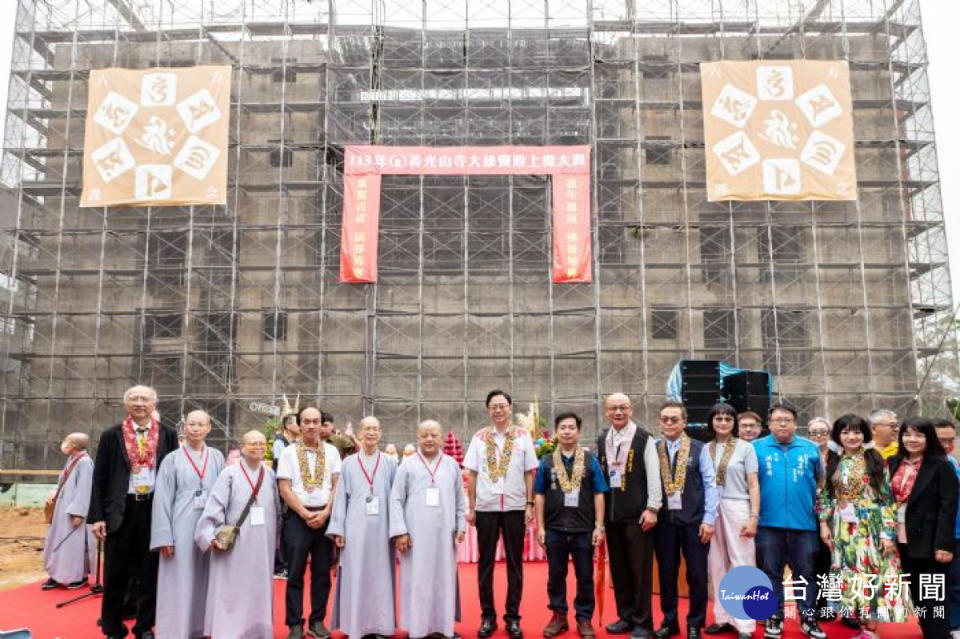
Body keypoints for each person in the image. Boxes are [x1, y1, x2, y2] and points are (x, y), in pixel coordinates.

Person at [89, 385, 179, 639]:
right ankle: (113, 627)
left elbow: (173, 476)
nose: (140, 403)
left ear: (154, 404)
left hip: (154, 508)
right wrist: (97, 516)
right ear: (126, 403)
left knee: (149, 572)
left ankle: (144, 627)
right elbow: (100, 477)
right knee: (115, 572)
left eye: (145, 399)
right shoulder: (112, 435)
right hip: (121, 510)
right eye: (134, 399)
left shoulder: (168, 434)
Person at [818, 414, 906, 638]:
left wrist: (888, 533)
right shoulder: (833, 460)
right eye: (845, 432)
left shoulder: (874, 458)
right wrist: (824, 524)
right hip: (843, 529)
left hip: (871, 527)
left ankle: (871, 628)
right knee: (850, 576)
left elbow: (887, 498)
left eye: (856, 432)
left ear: (864, 434)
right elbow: (827, 495)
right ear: (838, 435)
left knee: (872, 573)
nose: (851, 437)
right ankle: (862, 625)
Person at [464, 390, 539, 639]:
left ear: (509, 408)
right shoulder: (478, 438)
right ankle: (487, 616)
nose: (498, 410)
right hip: (486, 508)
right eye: (494, 406)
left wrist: (529, 504)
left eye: (503, 406)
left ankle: (513, 617)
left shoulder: (522, 436)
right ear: (488, 410)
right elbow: (471, 473)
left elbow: (530, 472)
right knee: (485, 564)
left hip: (515, 507)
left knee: (515, 565)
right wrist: (472, 507)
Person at [195, 430, 280, 639]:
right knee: (232, 587)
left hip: (262, 542)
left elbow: (277, 510)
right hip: (237, 542)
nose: (258, 447)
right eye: (253, 443)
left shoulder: (269, 474)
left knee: (258, 587)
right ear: (242, 447)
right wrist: (210, 535)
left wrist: (277, 539)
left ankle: (257, 629)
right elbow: (214, 506)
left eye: (262, 443)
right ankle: (228, 630)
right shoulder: (229, 473)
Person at [752, 402, 826, 639]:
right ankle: (775, 617)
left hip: (803, 524)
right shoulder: (756, 448)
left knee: (805, 573)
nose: (783, 424)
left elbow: (821, 481)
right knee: (770, 572)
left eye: (788, 420)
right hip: (767, 523)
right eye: (778, 420)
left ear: (795, 424)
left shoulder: (811, 449)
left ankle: (809, 618)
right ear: (769, 424)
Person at [149, 409, 225, 639]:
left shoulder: (217, 457)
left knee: (208, 576)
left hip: (210, 525)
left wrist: (223, 532)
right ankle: (176, 629)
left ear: (209, 428)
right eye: (191, 424)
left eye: (201, 424)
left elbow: (224, 494)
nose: (196, 428)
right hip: (180, 526)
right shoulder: (172, 459)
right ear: (184, 428)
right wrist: (164, 537)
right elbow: (162, 499)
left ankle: (204, 628)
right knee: (179, 577)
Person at [389, 419, 466, 639]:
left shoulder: (451, 464)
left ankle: (442, 628)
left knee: (444, 581)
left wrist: (461, 525)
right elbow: (395, 498)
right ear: (418, 437)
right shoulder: (408, 465)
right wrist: (400, 532)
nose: (429, 439)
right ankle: (417, 628)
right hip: (415, 537)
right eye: (425, 435)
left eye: (434, 435)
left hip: (445, 536)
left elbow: (460, 500)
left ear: (441, 437)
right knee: (417, 581)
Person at [534, 412, 607, 638]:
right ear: (557, 432)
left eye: (571, 427)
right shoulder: (546, 462)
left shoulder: (590, 460)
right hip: (554, 528)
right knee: (556, 575)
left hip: (583, 529)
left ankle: (584, 618)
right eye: (563, 427)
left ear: (578, 432)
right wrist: (540, 527)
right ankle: (559, 616)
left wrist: (599, 526)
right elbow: (539, 495)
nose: (567, 431)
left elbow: (598, 494)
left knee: (585, 576)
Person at [596, 392, 662, 639]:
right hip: (612, 517)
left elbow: (654, 475)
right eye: (613, 408)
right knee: (620, 570)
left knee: (640, 572)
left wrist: (653, 507)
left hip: (638, 516)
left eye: (622, 407)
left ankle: (644, 623)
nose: (618, 412)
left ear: (631, 409)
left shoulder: (644, 438)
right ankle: (625, 616)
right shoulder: (603, 439)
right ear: (606, 412)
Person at [327, 416, 398, 639]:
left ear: (380, 433)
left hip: (382, 529)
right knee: (355, 575)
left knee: (381, 577)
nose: (371, 433)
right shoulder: (347, 463)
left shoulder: (390, 462)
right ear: (359, 432)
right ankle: (356, 625)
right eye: (367, 428)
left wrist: (398, 529)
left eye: (375, 429)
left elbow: (396, 498)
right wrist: (339, 529)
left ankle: (381, 625)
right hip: (355, 528)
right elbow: (340, 499)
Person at [653, 402, 718, 639]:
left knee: (697, 575)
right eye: (665, 419)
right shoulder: (653, 448)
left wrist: (709, 519)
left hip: (694, 522)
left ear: (684, 422)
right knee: (667, 574)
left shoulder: (699, 449)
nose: (669, 423)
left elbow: (711, 485)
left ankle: (694, 623)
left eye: (674, 419)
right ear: (660, 422)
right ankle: (669, 621)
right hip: (663, 523)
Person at [889, 417, 958, 639]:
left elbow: (948, 508)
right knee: (916, 593)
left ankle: (939, 635)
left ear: (929, 438)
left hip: (929, 540)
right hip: (898, 539)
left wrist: (944, 545)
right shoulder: (892, 462)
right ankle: (929, 631)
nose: (912, 439)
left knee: (934, 593)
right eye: (908, 434)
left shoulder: (941, 466)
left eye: (919, 435)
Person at [277, 406, 342, 639]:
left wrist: (326, 513)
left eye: (316, 421)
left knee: (322, 572)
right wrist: (305, 514)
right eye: (306, 421)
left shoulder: (332, 452)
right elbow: (284, 488)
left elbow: (337, 485)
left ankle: (317, 621)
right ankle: (294, 623)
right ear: (298, 424)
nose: (311, 426)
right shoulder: (288, 453)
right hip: (297, 517)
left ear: (323, 424)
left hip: (325, 516)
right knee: (294, 573)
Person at [703, 404, 760, 639]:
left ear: (734, 423)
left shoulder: (746, 448)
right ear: (711, 422)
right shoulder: (705, 449)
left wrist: (754, 516)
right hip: (711, 508)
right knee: (716, 562)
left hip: (738, 505)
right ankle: (722, 616)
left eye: (728, 418)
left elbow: (754, 484)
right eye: (718, 418)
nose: (723, 422)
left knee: (742, 562)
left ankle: (745, 623)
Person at [42, 432, 96, 591]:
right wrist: (54, 492)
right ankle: (57, 574)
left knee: (73, 545)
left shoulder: (85, 462)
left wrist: (79, 513)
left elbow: (85, 489)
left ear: (74, 446)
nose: (64, 443)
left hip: (73, 512)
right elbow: (63, 481)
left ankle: (78, 576)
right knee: (57, 541)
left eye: (67, 441)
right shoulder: (72, 459)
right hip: (61, 509)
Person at [805, 417, 837, 625]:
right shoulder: (804, 453)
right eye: (814, 432)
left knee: (831, 562)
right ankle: (815, 606)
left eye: (823, 432)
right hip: (808, 513)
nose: (818, 436)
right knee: (812, 561)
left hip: (834, 516)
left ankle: (830, 606)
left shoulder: (838, 457)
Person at [934, 418, 960, 639]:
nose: (947, 445)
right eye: (941, 440)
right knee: (933, 585)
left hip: (956, 532)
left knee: (955, 583)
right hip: (933, 537)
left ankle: (954, 625)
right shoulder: (919, 466)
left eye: (951, 440)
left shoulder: (951, 461)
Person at [273, 412, 300, 578]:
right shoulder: (279, 442)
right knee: (281, 525)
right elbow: (282, 464)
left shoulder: (296, 442)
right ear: (288, 426)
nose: (300, 427)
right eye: (297, 423)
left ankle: (287, 562)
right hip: (282, 488)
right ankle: (279, 564)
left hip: (293, 488)